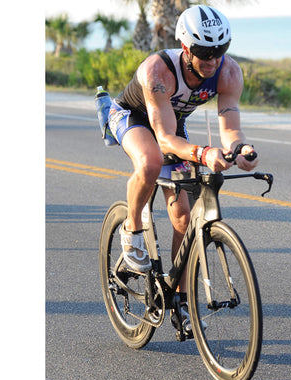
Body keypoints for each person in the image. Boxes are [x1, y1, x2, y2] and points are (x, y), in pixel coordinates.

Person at [108, 4, 258, 333]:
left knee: (184, 219)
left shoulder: (229, 72)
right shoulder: (157, 71)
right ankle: (131, 233)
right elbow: (162, 139)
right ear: (186, 46)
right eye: (204, 51)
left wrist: (240, 149)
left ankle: (180, 297)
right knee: (150, 162)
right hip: (134, 119)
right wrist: (203, 153)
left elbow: (230, 128)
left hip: (172, 128)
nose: (212, 59)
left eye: (219, 51)